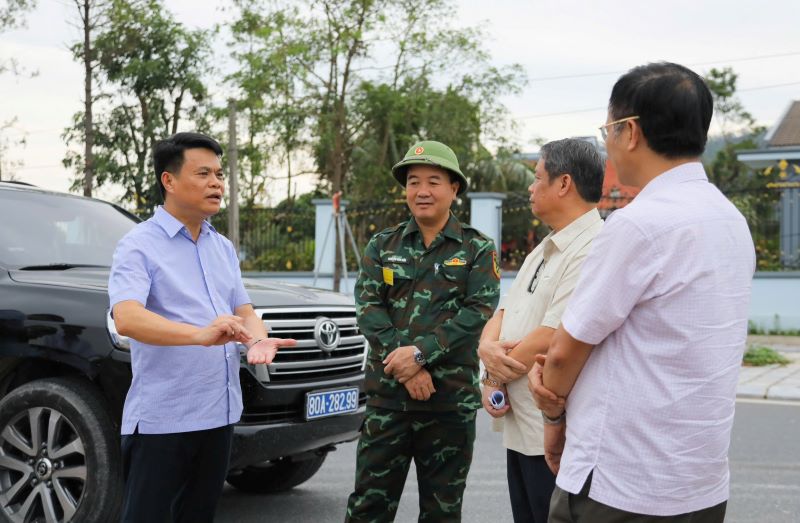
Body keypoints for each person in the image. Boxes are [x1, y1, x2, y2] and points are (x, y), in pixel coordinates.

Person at [530, 62, 755, 522]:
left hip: (619, 484)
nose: (608, 143)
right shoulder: (732, 222)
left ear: (629, 131)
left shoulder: (637, 226)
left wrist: (553, 421)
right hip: (699, 484)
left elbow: (563, 353)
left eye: (608, 128)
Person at [109, 132, 296, 523]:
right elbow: (127, 317)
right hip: (165, 419)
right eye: (204, 173)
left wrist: (258, 341)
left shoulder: (221, 247)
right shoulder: (138, 245)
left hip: (219, 415)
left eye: (219, 173)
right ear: (169, 181)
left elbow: (244, 310)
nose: (217, 183)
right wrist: (198, 335)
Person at [345, 140, 501, 522]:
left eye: (433, 181)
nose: (422, 191)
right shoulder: (383, 245)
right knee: (368, 507)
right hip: (388, 400)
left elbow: (478, 311)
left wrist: (420, 354)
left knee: (442, 512)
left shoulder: (477, 249)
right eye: (413, 182)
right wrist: (408, 364)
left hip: (449, 403)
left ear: (454, 189)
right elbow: (368, 308)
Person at [478, 138, 604, 523]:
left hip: (552, 434)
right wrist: (486, 354)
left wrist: (491, 373)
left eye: (537, 179)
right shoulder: (546, 246)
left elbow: (553, 335)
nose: (531, 189)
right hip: (521, 425)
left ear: (563, 184)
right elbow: (503, 311)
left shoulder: (591, 248)